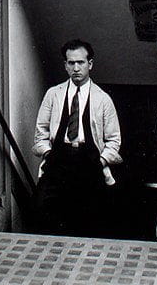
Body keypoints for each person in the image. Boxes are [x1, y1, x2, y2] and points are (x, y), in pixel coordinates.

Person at [32, 39, 122, 236]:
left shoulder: (103, 99)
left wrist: (101, 160)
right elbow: (40, 133)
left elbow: (114, 140)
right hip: (59, 160)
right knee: (47, 213)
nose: (76, 68)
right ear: (65, 65)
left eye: (80, 62)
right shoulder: (53, 95)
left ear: (90, 64)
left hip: (89, 161)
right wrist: (49, 154)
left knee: (89, 219)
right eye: (71, 63)